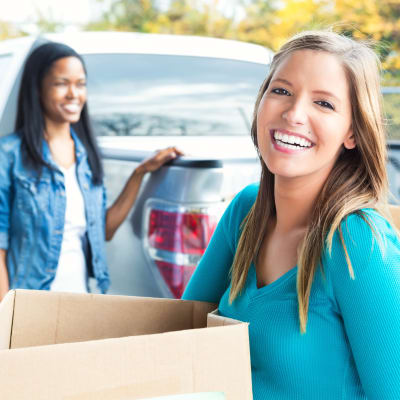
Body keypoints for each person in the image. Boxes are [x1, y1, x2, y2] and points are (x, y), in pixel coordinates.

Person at [182, 30, 400, 399]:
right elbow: (180, 332)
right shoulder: (246, 211)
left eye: (324, 104)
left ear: (353, 132)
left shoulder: (357, 241)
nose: (294, 114)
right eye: (281, 91)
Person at [0, 42, 182, 300]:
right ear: (37, 88)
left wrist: (140, 173)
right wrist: (6, 317)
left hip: (81, 300)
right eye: (61, 83)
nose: (73, 93)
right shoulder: (8, 155)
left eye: (81, 84)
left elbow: (104, 231)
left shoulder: (86, 157)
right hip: (30, 305)